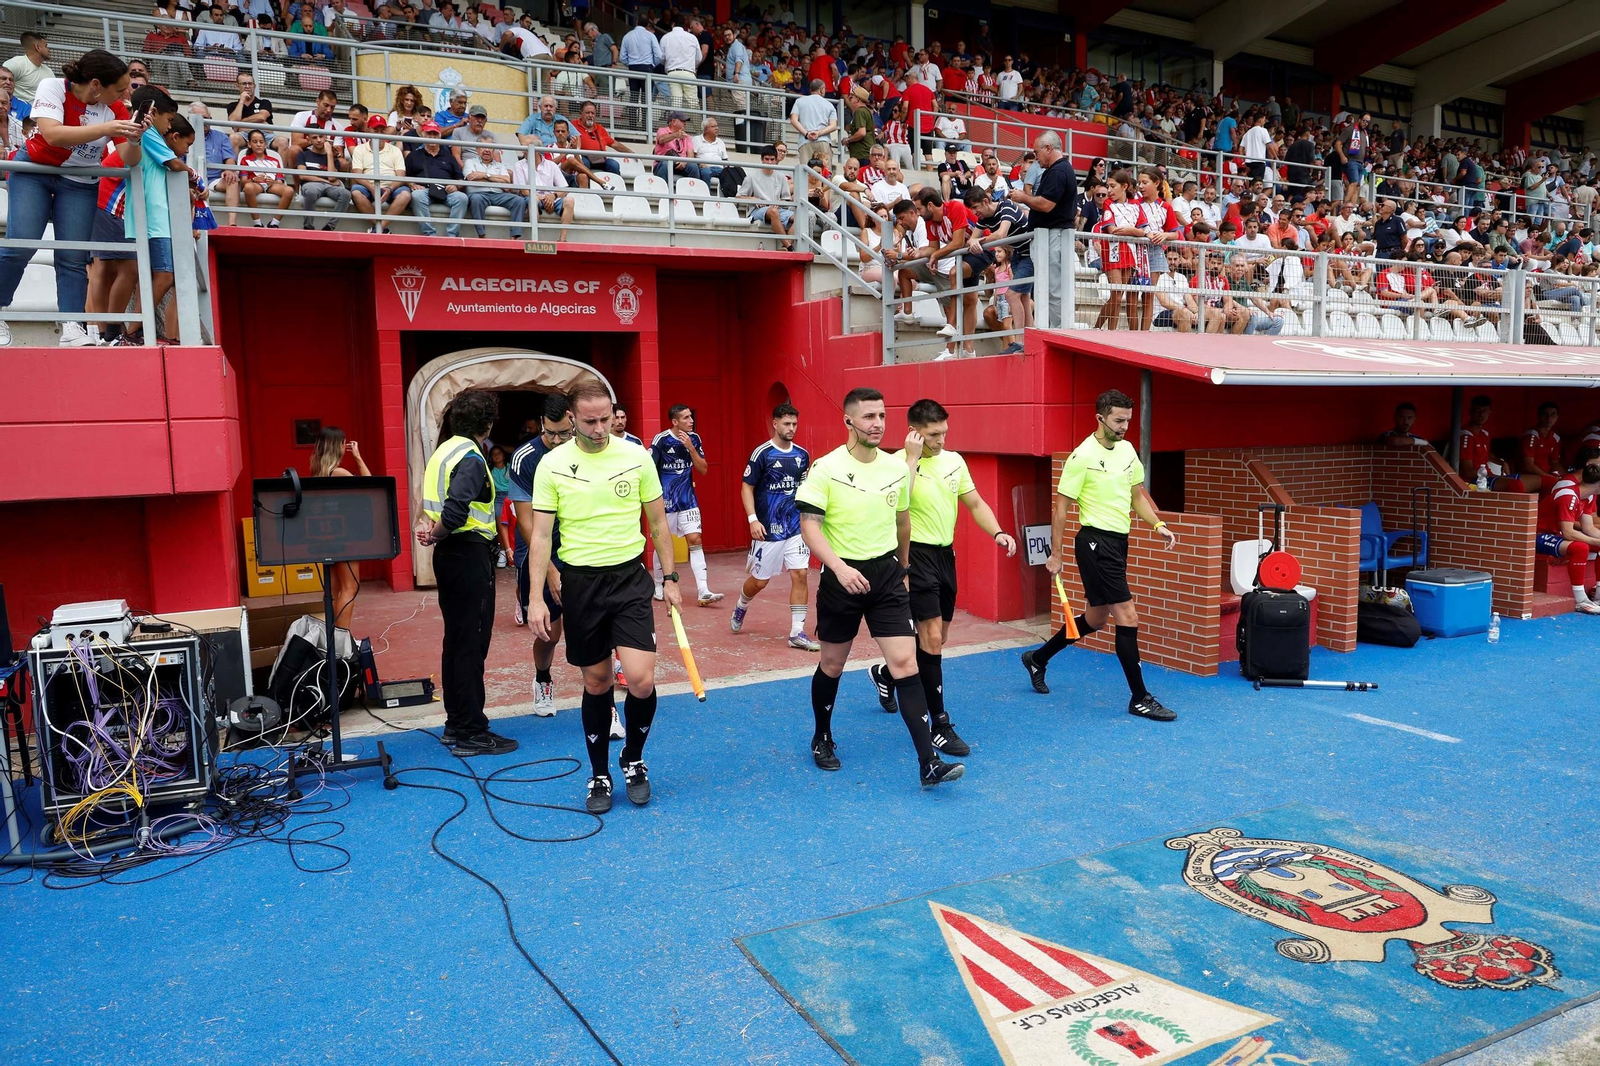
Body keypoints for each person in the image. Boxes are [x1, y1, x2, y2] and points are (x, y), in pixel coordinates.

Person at [795, 387, 965, 786]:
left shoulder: (895, 468)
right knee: (832, 664)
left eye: (882, 416)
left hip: (887, 577)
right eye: (869, 416)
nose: (877, 424)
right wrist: (837, 568)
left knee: (905, 664)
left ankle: (928, 763)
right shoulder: (826, 468)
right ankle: (822, 736)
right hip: (842, 578)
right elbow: (809, 527)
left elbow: (902, 522)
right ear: (848, 420)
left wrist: (903, 567)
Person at [528, 384, 682, 813]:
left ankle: (633, 758)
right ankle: (599, 774)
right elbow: (541, 533)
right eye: (590, 421)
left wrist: (668, 578)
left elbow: (658, 522)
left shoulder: (635, 456)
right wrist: (537, 597)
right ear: (572, 419)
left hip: (630, 580)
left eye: (606, 419)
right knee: (595, 682)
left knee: (641, 679)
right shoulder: (552, 465)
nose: (600, 429)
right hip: (580, 584)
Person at [863, 399, 1015, 758]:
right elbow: (898, 501)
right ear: (915, 431)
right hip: (914, 556)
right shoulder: (896, 464)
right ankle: (939, 724)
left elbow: (975, 504)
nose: (941, 440)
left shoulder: (955, 461)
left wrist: (997, 533)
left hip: (945, 557)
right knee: (930, 637)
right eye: (933, 434)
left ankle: (886, 674)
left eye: (944, 432)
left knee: (938, 638)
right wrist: (913, 459)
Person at [1020, 389, 1178, 722]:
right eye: (1119, 420)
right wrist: (1056, 554)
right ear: (1100, 418)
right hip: (1094, 543)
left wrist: (1157, 524)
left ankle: (1038, 658)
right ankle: (1139, 698)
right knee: (1128, 617)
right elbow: (1061, 508)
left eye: (1128, 421)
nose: (1124, 427)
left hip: (1119, 543)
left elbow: (1137, 496)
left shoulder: (1127, 451)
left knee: (1095, 619)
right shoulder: (1082, 456)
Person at [0, 49, 138, 348]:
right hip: (33, 170)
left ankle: (72, 326)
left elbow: (129, 158)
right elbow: (52, 135)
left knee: (73, 255)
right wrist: (110, 128)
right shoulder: (54, 86)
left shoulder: (116, 108)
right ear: (97, 84)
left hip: (78, 181)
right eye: (119, 88)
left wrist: (134, 138)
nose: (125, 94)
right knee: (20, 245)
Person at [416, 390, 520, 757]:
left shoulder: (443, 451)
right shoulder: (472, 457)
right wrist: (438, 530)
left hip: (450, 555)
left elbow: (438, 504)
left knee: (457, 642)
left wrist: (431, 530)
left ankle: (457, 723)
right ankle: (472, 731)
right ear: (488, 425)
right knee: (471, 644)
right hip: (467, 553)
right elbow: (457, 511)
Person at [731, 403, 818, 650]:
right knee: (760, 581)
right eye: (787, 424)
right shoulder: (762, 454)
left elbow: (804, 487)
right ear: (775, 423)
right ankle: (741, 605)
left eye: (794, 424)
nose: (791, 428)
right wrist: (752, 519)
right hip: (768, 529)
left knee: (800, 574)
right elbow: (746, 487)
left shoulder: (802, 455)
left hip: (794, 526)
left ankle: (796, 632)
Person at [651, 404, 722, 604]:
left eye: (691, 416)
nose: (691, 421)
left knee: (696, 539)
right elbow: (649, 468)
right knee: (662, 543)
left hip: (688, 500)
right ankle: (659, 584)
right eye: (686, 418)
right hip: (665, 501)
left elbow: (703, 469)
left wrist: (690, 448)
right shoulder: (661, 440)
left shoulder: (695, 439)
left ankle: (704, 590)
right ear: (675, 422)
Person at [310, 426, 370, 630]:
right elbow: (370, 488)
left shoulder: (320, 472)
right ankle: (342, 638)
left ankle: (331, 637)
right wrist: (359, 458)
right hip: (345, 538)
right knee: (350, 587)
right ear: (339, 446)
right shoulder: (339, 472)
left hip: (327, 537)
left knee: (333, 590)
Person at [1536, 461, 1600, 614]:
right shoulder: (1568, 495)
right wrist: (1597, 541)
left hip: (1555, 535)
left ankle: (1599, 595)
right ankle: (1581, 601)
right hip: (1537, 535)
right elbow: (1568, 533)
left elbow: (1588, 528)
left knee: (1595, 546)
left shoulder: (1589, 496)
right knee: (1580, 547)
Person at [1521, 401, 1563, 492]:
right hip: (1530, 476)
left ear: (1557, 417)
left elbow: (1555, 462)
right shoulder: (1532, 435)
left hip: (1547, 475)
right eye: (1546, 414)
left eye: (1553, 415)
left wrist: (1567, 476)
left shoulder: (1555, 437)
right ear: (1540, 416)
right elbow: (1529, 466)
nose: (1549, 418)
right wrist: (1548, 477)